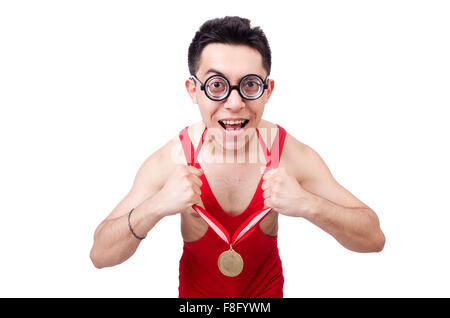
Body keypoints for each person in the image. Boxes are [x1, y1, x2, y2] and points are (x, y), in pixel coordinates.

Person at [90, 16, 385, 298]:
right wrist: (154, 207)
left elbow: (374, 237)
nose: (234, 103)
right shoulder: (174, 158)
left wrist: (309, 205)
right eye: (216, 85)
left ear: (267, 90)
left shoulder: (287, 154)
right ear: (194, 90)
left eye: (250, 85)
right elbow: (100, 255)